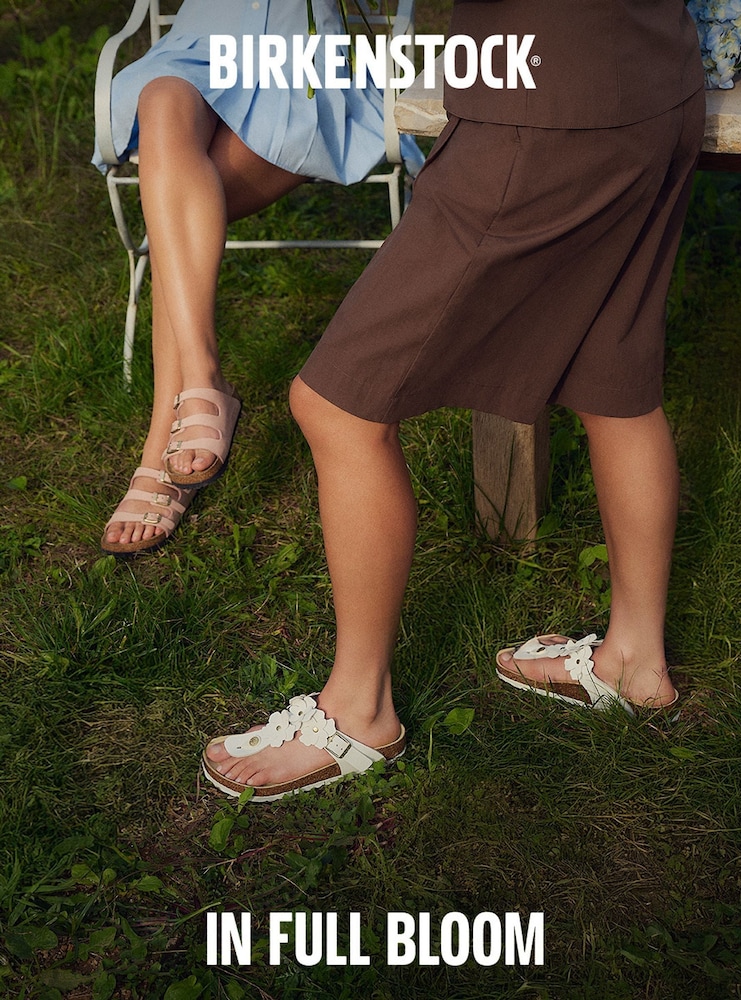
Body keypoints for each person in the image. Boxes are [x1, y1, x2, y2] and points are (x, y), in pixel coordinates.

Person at [202, 0, 706, 801]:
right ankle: (634, 661)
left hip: (546, 108)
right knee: (616, 379)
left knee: (338, 405)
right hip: (654, 76)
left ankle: (358, 711)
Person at [94, 0, 422, 557]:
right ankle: (202, 378)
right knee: (162, 97)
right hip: (197, 50)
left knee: (174, 210)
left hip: (298, 66)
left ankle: (160, 444)